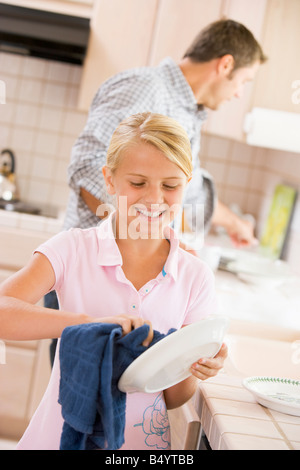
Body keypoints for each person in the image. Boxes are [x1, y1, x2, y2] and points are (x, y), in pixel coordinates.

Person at [0, 113, 227, 450]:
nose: (153, 199)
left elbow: (175, 397)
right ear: (109, 180)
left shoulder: (194, 276)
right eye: (138, 183)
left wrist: (197, 364)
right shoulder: (73, 248)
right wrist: (89, 325)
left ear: (187, 184)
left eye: (170, 185)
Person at [64, 18, 267, 246]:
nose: (239, 93)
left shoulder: (186, 111)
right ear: (226, 65)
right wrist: (152, 242)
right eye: (243, 81)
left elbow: (190, 193)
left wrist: (235, 223)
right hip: (93, 261)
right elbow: (87, 168)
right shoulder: (147, 89)